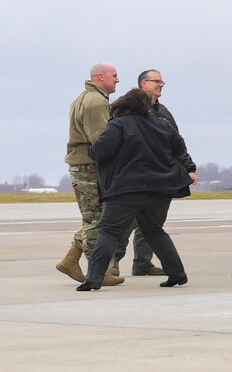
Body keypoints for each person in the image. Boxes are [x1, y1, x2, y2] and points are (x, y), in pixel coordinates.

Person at [76, 88, 196, 291]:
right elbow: (180, 149)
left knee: (108, 231)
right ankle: (177, 273)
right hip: (160, 190)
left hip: (126, 190)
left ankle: (94, 278)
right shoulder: (164, 125)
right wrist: (190, 169)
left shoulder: (118, 124)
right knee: (155, 231)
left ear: (124, 104)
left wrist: (90, 150)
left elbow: (100, 151)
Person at [109, 69, 197, 277]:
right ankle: (112, 264)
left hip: (158, 180)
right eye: (156, 81)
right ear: (143, 84)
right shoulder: (126, 110)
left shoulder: (164, 112)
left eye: (162, 82)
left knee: (150, 225)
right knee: (124, 224)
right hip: (132, 180)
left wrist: (189, 168)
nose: (160, 85)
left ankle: (142, 263)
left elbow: (177, 143)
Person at [57, 63, 124, 286]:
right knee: (95, 219)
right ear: (100, 77)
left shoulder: (86, 97)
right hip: (89, 167)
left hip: (84, 165)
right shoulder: (96, 101)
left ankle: (71, 259)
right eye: (114, 76)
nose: (118, 80)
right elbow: (101, 140)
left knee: (96, 216)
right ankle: (98, 270)